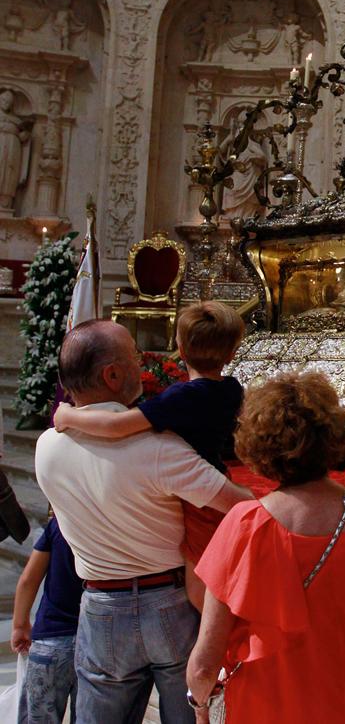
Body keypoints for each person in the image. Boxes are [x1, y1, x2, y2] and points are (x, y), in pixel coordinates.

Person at [35, 319, 252, 724]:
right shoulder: (159, 449)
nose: (143, 363)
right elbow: (239, 505)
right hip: (170, 602)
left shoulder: (47, 446)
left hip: (100, 606)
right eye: (134, 356)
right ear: (113, 375)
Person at [186, 371, 345, 724]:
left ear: (258, 445)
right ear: (332, 435)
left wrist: (200, 711)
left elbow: (206, 663)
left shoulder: (245, 527)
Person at [54, 301, 245, 612]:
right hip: (218, 472)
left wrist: (67, 416)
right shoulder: (232, 388)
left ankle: (213, 637)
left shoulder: (183, 397)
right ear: (232, 353)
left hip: (201, 493)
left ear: (180, 350)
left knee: (199, 572)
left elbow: (117, 426)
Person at [11, 516, 83, 724]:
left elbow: (28, 580)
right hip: (94, 643)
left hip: (50, 643)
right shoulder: (109, 524)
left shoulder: (59, 524)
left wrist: (20, 625)